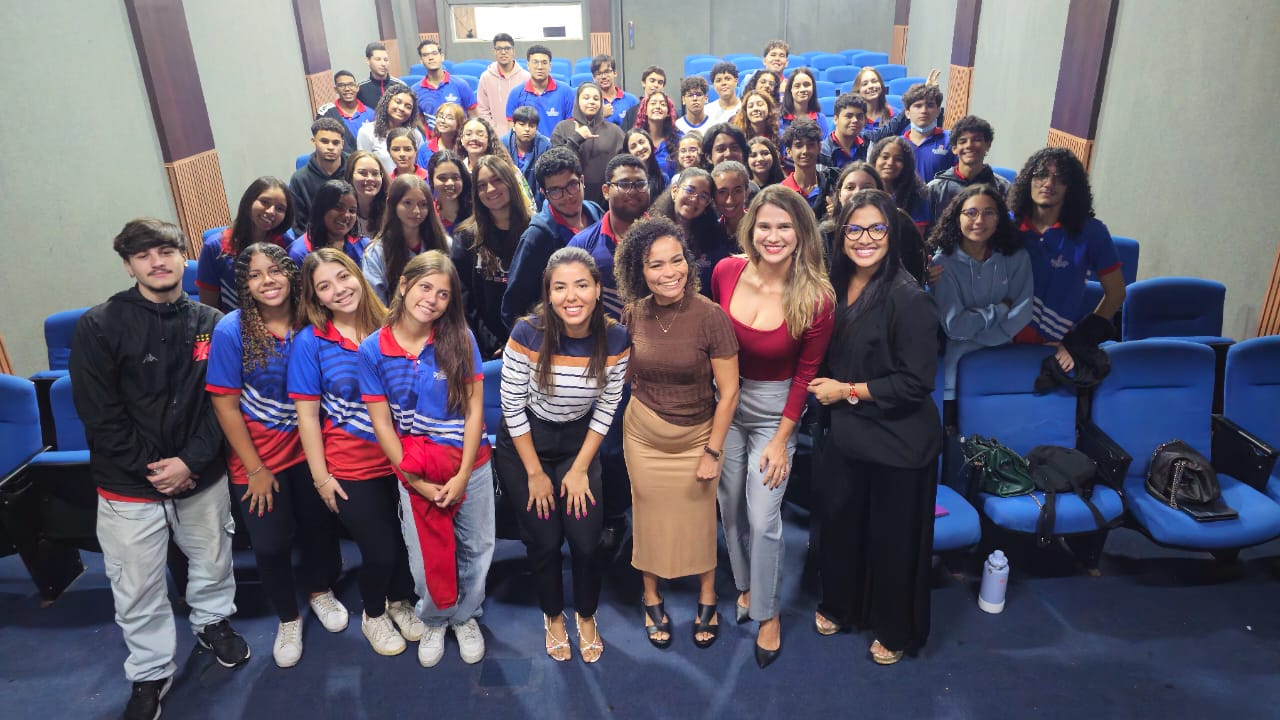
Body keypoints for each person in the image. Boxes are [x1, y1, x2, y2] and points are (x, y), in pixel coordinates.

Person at [70, 219, 247, 720]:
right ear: (128, 265)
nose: (158, 261)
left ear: (181, 256)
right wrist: (158, 471)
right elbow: (100, 416)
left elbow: (223, 404)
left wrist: (190, 462)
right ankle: (150, 671)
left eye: (166, 250)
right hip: (129, 484)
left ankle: (213, 623)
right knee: (137, 585)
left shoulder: (212, 322)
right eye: (144, 255)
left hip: (199, 475)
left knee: (213, 560)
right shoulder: (99, 325)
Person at [808, 188, 941, 666]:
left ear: (893, 233)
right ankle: (842, 605)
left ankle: (893, 627)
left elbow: (914, 382)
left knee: (891, 540)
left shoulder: (910, 299)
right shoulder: (835, 286)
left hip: (897, 440)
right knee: (842, 525)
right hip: (846, 435)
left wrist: (846, 391)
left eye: (877, 228)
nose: (865, 239)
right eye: (854, 229)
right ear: (841, 234)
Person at [206, 242, 345, 669]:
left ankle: (321, 591)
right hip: (259, 461)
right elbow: (225, 405)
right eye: (254, 275)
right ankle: (288, 616)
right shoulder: (233, 330)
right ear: (243, 285)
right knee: (268, 545)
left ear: (290, 274)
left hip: (310, 453)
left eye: (275, 271)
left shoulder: (312, 321)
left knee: (319, 529)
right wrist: (255, 469)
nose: (267, 281)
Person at [713, 185, 834, 668]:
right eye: (765, 225)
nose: (773, 235)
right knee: (730, 505)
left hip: (774, 410)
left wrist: (783, 442)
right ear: (751, 228)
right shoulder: (726, 270)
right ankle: (745, 586)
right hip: (725, 402)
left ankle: (768, 613)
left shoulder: (816, 297)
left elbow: (806, 376)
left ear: (802, 233)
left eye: (785, 226)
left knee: (764, 516)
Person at [359, 251, 496, 669]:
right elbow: (382, 424)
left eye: (443, 294)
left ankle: (466, 616)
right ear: (403, 285)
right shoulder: (373, 349)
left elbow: (476, 411)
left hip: (469, 464)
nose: (432, 300)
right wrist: (413, 481)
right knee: (424, 556)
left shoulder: (459, 338)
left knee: (475, 545)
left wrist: (463, 472)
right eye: (425, 287)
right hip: (415, 468)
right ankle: (435, 618)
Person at [290, 248, 427, 658]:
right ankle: (372, 613)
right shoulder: (310, 342)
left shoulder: (392, 325)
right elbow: (308, 418)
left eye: (342, 277)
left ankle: (400, 602)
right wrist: (321, 478)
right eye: (324, 287)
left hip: (403, 461)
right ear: (315, 298)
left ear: (358, 276)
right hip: (350, 467)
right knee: (379, 548)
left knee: (405, 543)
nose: (339, 290)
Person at [496, 247, 630, 663]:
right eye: (560, 287)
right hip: (525, 443)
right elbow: (512, 407)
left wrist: (580, 468)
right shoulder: (527, 333)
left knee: (587, 542)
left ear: (597, 290)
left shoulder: (617, 337)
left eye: (582, 285)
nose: (572, 297)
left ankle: (585, 615)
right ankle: (553, 615)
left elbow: (607, 408)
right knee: (546, 540)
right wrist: (536, 473)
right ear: (548, 294)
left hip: (577, 442)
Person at [613, 217, 740, 651]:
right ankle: (651, 596)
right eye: (655, 265)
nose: (669, 273)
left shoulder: (711, 317)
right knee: (647, 515)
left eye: (676, 261)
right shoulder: (633, 313)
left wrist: (712, 451)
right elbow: (625, 374)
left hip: (697, 437)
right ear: (639, 271)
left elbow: (729, 393)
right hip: (644, 435)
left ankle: (708, 595)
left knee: (700, 518)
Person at [567, 153, 651, 566]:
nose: (634, 190)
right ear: (606, 191)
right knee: (610, 450)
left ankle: (655, 523)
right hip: (606, 366)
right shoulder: (582, 245)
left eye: (640, 182)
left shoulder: (663, 238)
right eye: (625, 183)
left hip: (657, 365)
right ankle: (616, 516)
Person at [1007, 147, 1125, 364]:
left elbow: (1116, 292)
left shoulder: (1091, 232)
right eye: (1041, 175)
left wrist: (1080, 339)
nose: (1049, 183)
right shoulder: (1006, 225)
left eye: (1060, 178)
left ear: (1071, 187)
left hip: (1053, 349)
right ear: (1028, 180)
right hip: (998, 342)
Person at [928, 184, 1033, 399]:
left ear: (999, 218)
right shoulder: (942, 264)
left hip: (1003, 357)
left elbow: (1022, 310)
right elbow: (955, 327)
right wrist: (1001, 309)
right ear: (958, 218)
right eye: (971, 213)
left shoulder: (1016, 257)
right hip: (956, 368)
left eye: (989, 213)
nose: (979, 221)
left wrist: (985, 336)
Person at [501, 147, 604, 328]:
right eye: (555, 191)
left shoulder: (596, 213)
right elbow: (513, 307)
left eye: (572, 185)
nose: (567, 197)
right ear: (543, 192)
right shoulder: (537, 237)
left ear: (582, 180)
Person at [452, 155, 533, 358]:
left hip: (532, 342)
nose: (490, 189)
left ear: (510, 182)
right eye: (481, 185)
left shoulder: (535, 231)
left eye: (497, 180)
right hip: (488, 350)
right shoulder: (466, 237)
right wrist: (491, 343)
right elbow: (462, 299)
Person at [197, 177, 293, 311]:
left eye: (280, 208)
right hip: (234, 326)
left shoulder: (285, 245)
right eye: (265, 202)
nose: (271, 211)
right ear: (249, 202)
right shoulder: (214, 247)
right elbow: (209, 308)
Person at [362, 174, 450, 304]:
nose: (416, 211)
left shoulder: (446, 244)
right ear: (392, 204)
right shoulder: (376, 253)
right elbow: (376, 304)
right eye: (407, 203)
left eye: (423, 204)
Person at [649, 167, 733, 295]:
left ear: (708, 204)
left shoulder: (715, 239)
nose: (694, 199)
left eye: (703, 196)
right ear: (674, 191)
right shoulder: (650, 234)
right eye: (689, 190)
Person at [925, 115, 1010, 228]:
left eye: (977, 140)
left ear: (988, 145)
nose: (969, 145)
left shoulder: (1003, 188)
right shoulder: (935, 189)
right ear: (954, 148)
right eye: (963, 141)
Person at [551, 81, 625, 208]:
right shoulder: (562, 128)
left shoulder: (615, 131)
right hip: (570, 197)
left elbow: (623, 166)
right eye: (586, 98)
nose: (591, 101)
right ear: (577, 101)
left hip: (606, 199)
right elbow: (556, 165)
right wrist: (576, 139)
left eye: (596, 98)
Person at [288, 179, 370, 267]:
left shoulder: (364, 246)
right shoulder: (299, 253)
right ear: (321, 209)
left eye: (352, 210)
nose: (346, 215)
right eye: (339, 208)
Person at [291, 118, 348, 235]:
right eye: (324, 141)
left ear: (342, 144)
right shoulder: (300, 179)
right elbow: (299, 225)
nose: (330, 147)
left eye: (336, 142)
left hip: (351, 238)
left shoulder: (355, 170)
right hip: (315, 242)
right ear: (313, 141)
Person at [505, 45, 575, 138]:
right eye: (535, 62)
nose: (540, 67)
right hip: (528, 150)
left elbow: (571, 127)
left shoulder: (566, 91)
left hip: (558, 149)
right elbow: (511, 129)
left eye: (544, 63)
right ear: (528, 65)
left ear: (550, 66)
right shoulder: (516, 93)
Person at [357, 82, 425, 174]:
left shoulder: (415, 135)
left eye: (408, 107)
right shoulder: (367, 131)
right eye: (398, 102)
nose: (401, 108)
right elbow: (363, 167)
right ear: (387, 102)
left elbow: (420, 168)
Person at [414, 39, 477, 132]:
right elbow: (418, 120)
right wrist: (431, 138)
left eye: (434, 53)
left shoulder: (460, 84)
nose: (430, 57)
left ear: (442, 57)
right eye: (425, 55)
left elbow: (474, 116)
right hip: (434, 143)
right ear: (421, 61)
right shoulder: (415, 90)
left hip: (460, 140)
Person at [870, 135, 932, 229]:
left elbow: (916, 237)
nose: (890, 163)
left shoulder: (917, 194)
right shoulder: (864, 189)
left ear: (906, 165)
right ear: (875, 160)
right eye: (885, 157)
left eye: (898, 159)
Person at [779, 119, 837, 217]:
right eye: (799, 145)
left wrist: (839, 214)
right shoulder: (780, 193)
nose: (805, 151)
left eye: (811, 145)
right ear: (789, 152)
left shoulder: (832, 184)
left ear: (819, 148)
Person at [476, 33, 530, 136]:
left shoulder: (526, 77)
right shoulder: (486, 77)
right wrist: (494, 130)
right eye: (499, 49)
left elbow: (529, 108)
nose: (503, 52)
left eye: (507, 49)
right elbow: (482, 109)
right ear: (494, 52)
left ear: (513, 51)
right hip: (494, 134)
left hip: (521, 134)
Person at [900, 83, 954, 185]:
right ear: (907, 112)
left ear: (938, 111)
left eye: (930, 105)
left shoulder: (951, 140)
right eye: (918, 106)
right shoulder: (897, 144)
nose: (924, 111)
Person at [503, 105, 552, 207]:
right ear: (513, 125)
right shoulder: (502, 145)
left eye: (531, 126)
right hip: (509, 200)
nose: (527, 129)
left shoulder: (545, 145)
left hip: (538, 202)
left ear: (536, 128)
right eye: (522, 124)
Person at [317, 70, 375, 153]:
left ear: (357, 87)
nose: (347, 89)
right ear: (336, 89)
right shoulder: (330, 114)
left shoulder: (371, 114)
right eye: (341, 85)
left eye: (351, 85)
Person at [427, 149, 473, 235]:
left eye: (455, 177)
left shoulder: (475, 211)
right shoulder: (428, 213)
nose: (450, 183)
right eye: (442, 178)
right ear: (431, 180)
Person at [637, 91, 681, 177]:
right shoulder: (635, 139)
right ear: (645, 111)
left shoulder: (678, 139)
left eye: (663, 104)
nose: (658, 107)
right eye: (653, 103)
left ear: (668, 113)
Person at [345, 150, 388, 237]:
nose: (370, 178)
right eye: (362, 173)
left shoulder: (392, 209)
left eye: (375, 173)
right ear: (350, 176)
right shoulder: (340, 211)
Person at [779, 67, 832, 137]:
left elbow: (824, 145)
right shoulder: (780, 118)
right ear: (790, 90)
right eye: (797, 86)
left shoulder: (820, 118)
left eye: (807, 85)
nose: (802, 89)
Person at [821, 94, 869, 169]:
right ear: (836, 119)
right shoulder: (822, 152)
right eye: (849, 116)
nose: (855, 120)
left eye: (859, 116)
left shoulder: (868, 146)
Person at [591, 54, 638, 128]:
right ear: (593, 77)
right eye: (599, 74)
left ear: (615, 73)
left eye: (607, 72)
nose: (603, 77)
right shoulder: (591, 102)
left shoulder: (631, 100)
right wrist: (600, 116)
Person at [417, 102, 466, 169]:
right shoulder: (425, 148)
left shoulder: (465, 148)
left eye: (449, 118)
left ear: (459, 123)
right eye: (440, 116)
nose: (443, 121)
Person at [712, 160, 751, 243]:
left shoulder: (759, 228)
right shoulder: (710, 232)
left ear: (747, 192)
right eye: (722, 192)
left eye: (737, 191)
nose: (730, 200)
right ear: (713, 196)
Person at [623, 128, 668, 198]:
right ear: (628, 153)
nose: (640, 148)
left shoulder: (663, 178)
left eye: (641, 142)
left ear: (650, 143)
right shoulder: (626, 182)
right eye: (633, 147)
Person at [854, 67, 893, 139]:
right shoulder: (852, 118)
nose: (871, 86)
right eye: (865, 84)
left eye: (874, 81)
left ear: (881, 85)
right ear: (858, 90)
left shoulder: (895, 115)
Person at [357, 41, 395, 109]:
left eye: (386, 60)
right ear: (368, 60)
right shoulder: (359, 89)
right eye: (378, 59)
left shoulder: (400, 85)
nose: (383, 64)